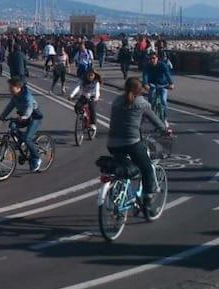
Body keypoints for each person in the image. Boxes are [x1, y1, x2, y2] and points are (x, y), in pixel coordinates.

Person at [108, 77, 172, 210]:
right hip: (131, 142)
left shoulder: (116, 100)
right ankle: (147, 201)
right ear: (139, 90)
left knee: (124, 167)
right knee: (147, 168)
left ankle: (119, 190)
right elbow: (156, 121)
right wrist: (166, 131)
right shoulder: (142, 103)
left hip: (112, 143)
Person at [0, 76, 44, 172]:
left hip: (34, 118)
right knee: (12, 126)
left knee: (27, 138)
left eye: (11, 87)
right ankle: (22, 142)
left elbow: (30, 107)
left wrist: (25, 116)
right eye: (9, 87)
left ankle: (36, 158)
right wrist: (2, 116)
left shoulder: (27, 96)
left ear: (19, 87)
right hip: (24, 117)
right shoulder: (15, 97)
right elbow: (9, 107)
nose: (9, 89)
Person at [141, 53, 175, 123]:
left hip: (163, 84)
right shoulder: (147, 66)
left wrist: (171, 83)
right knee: (151, 100)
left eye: (153, 58)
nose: (152, 60)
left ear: (157, 58)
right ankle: (151, 114)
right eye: (150, 58)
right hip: (152, 84)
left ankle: (164, 117)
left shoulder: (162, 65)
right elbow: (145, 75)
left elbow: (167, 74)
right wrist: (145, 84)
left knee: (163, 101)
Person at [70, 68, 102, 139]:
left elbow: (97, 91)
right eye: (89, 75)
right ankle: (83, 115)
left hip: (92, 97)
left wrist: (96, 97)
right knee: (77, 106)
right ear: (86, 75)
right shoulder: (82, 81)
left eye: (92, 75)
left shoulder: (96, 82)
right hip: (84, 96)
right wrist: (71, 95)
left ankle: (92, 124)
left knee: (92, 108)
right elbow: (77, 88)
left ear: (94, 76)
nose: (90, 77)